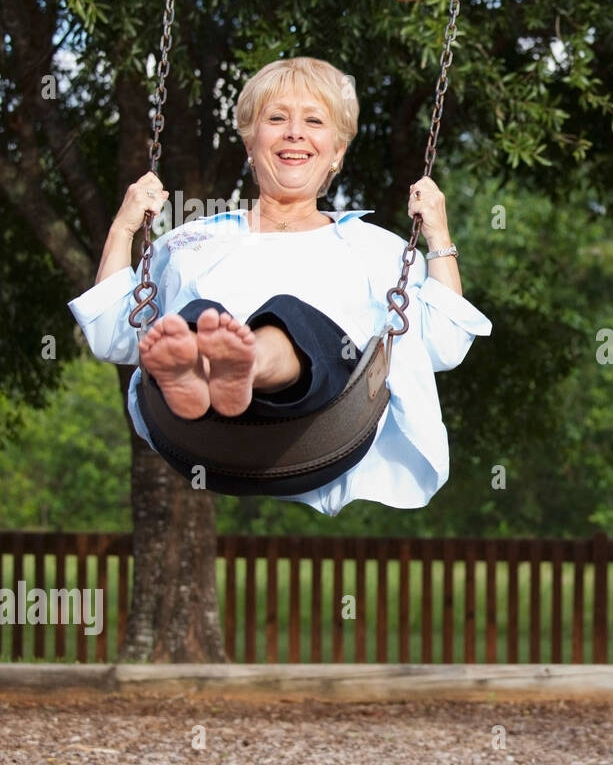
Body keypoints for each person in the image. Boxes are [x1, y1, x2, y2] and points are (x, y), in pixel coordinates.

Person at [69, 57, 491, 514]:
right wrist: (123, 229)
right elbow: (111, 336)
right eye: (276, 119)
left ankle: (235, 364)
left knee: (293, 317)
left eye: (314, 121)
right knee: (201, 316)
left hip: (317, 432)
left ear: (337, 152)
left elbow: (445, 345)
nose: (294, 133)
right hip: (196, 436)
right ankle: (204, 363)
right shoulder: (190, 240)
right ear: (250, 144)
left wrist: (438, 237)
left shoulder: (377, 249)